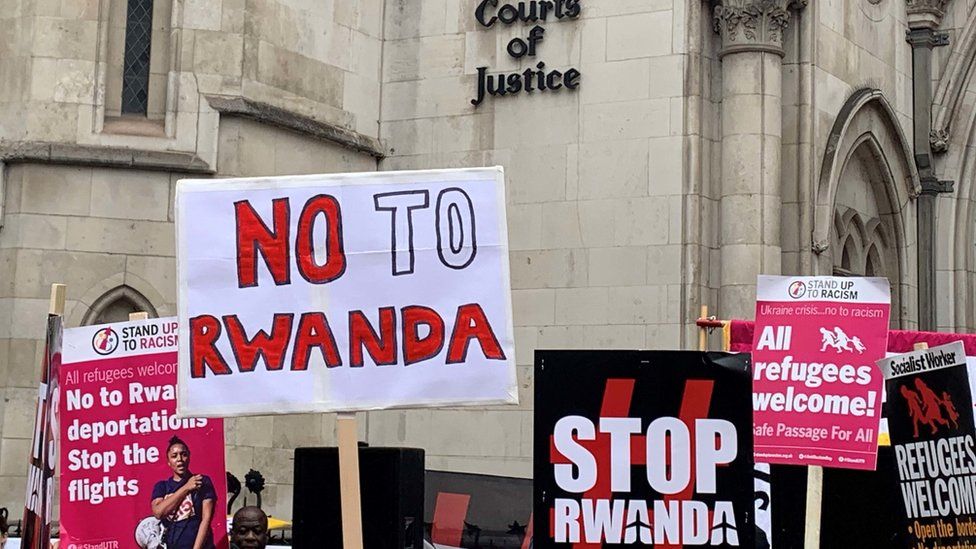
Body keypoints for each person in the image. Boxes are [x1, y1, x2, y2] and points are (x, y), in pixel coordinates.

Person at [151, 436, 217, 549]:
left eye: (184, 454)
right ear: (168, 462)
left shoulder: (202, 481)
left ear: (189, 457)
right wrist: (186, 487)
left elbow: (206, 519)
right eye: (174, 456)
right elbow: (158, 512)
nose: (179, 459)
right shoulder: (162, 486)